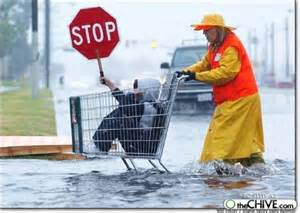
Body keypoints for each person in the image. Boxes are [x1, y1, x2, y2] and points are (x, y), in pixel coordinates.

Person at [177, 14, 265, 170]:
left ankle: (222, 168)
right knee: (244, 137)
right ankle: (255, 165)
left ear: (218, 29)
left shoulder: (231, 46)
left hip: (241, 99)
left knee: (222, 137)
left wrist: (196, 76)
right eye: (203, 31)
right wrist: (186, 71)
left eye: (207, 30)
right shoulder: (215, 45)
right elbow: (205, 63)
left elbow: (225, 74)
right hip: (233, 99)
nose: (204, 34)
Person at [93, 76, 165, 156]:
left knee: (120, 117)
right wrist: (110, 84)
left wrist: (129, 94)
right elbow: (125, 103)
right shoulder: (147, 106)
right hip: (140, 143)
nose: (134, 91)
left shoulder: (149, 108)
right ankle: (99, 144)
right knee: (121, 113)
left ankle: (100, 146)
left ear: (146, 91)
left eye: (137, 88)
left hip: (143, 148)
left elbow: (126, 104)